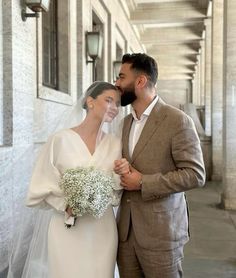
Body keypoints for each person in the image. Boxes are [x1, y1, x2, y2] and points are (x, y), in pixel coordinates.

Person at [23, 81, 129, 278]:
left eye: (117, 103)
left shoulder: (115, 144)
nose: (114, 108)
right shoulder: (60, 140)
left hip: (102, 229)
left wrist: (122, 173)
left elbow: (116, 192)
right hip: (67, 228)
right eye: (109, 100)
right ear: (90, 102)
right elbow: (40, 185)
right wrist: (66, 205)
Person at [114, 53, 206, 278]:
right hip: (125, 235)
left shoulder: (177, 120)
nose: (116, 83)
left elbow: (195, 174)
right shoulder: (125, 122)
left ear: (140, 81)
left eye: (121, 77)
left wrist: (144, 182)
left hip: (162, 234)